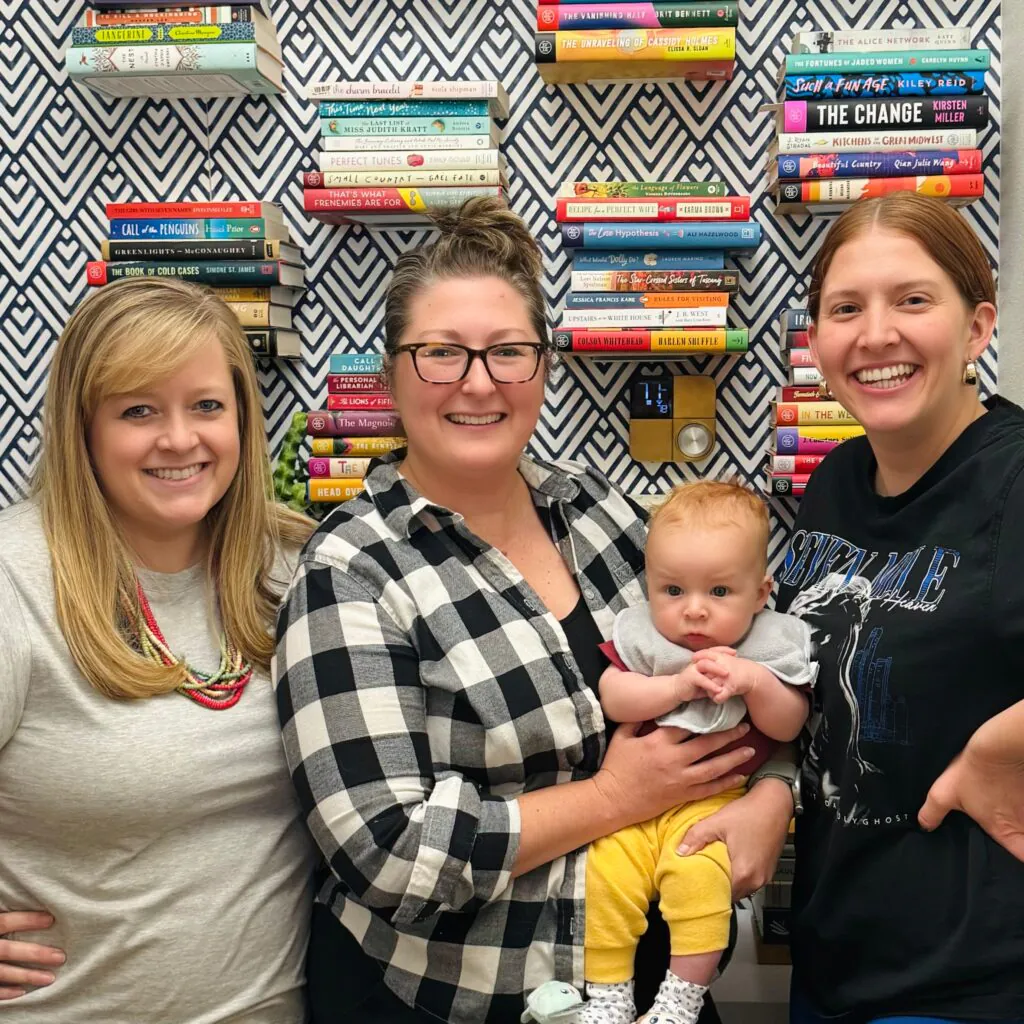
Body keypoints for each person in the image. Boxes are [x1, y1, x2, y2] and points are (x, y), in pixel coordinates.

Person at [273, 197, 799, 1024]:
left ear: (543, 367)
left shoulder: (606, 517)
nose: (478, 382)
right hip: (451, 1000)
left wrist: (772, 794)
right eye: (440, 353)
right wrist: (612, 800)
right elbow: (387, 853)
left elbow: (750, 668)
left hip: (655, 986)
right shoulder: (351, 569)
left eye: (509, 353)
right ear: (389, 374)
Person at [0, 277, 316, 1020]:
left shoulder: (297, 568)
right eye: (138, 410)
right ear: (83, 429)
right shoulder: (14, 578)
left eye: (207, 405)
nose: (180, 439)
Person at [769, 192, 1024, 1023]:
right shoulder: (834, 482)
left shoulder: (1014, 479)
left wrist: (999, 746)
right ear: (818, 343)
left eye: (913, 300)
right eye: (847, 308)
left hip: (974, 979)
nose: (876, 334)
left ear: (977, 329)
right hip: (832, 954)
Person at [581, 480, 812, 1024]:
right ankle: (609, 994)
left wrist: (755, 682)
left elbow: (790, 724)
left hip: (715, 802)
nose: (694, 612)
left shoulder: (769, 642)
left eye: (720, 592)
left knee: (700, 880)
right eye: (673, 591)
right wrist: (676, 687)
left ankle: (679, 1000)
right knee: (604, 877)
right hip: (630, 808)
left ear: (760, 593)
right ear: (649, 586)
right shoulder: (646, 637)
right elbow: (614, 695)